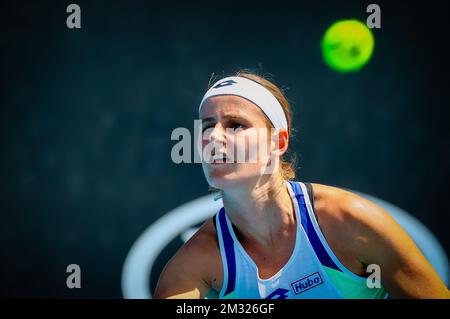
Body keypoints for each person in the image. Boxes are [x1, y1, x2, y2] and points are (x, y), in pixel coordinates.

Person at [153, 70, 450, 299]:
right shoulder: (191, 266)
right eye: (207, 126)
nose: (213, 137)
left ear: (277, 142)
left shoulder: (351, 222)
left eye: (235, 125)